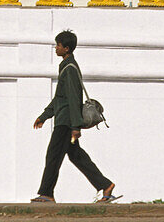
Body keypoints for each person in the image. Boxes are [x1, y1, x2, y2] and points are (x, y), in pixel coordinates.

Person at [32, 30, 119, 203]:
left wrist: (75, 127)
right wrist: (44, 116)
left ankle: (46, 193)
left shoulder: (70, 68)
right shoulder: (65, 66)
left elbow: (73, 98)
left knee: (53, 155)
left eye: (58, 45)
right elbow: (60, 98)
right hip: (64, 119)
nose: (55, 48)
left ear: (67, 48)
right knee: (76, 156)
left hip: (66, 122)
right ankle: (105, 185)